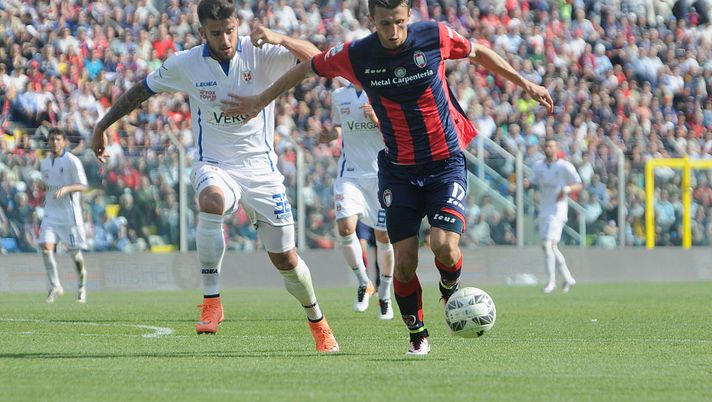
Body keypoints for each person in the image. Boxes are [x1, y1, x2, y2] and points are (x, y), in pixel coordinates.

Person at [221, 0, 553, 355]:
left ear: (409, 16)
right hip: (398, 171)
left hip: (445, 163)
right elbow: (308, 66)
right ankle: (418, 335)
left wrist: (525, 83)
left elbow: (479, 52)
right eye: (384, 25)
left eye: (398, 22)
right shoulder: (357, 54)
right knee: (404, 262)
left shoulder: (434, 35)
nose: (393, 32)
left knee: (444, 245)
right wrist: (259, 100)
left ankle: (448, 287)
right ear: (371, 21)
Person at [91, 0, 339, 353]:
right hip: (215, 165)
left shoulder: (261, 53)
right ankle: (212, 301)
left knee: (285, 259)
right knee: (211, 201)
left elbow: (320, 60)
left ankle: (318, 322)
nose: (224, 39)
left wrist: (281, 38)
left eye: (229, 30)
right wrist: (102, 126)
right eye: (215, 33)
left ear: (238, 24)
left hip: (262, 171)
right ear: (201, 32)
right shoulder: (186, 63)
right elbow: (141, 91)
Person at [319, 82, 394, 319]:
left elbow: (396, 131)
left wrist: (377, 121)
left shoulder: (383, 90)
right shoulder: (339, 95)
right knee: (345, 227)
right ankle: (364, 283)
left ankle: (385, 293)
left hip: (380, 175)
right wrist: (331, 135)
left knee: (384, 236)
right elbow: (341, 128)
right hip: (350, 173)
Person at [525, 138, 582, 294]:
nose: (548, 148)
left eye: (551, 146)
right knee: (551, 247)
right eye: (546, 146)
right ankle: (568, 278)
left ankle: (551, 281)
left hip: (558, 210)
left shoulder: (564, 166)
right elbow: (531, 181)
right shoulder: (539, 166)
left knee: (547, 245)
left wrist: (566, 190)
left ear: (556, 148)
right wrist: (525, 183)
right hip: (544, 209)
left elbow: (578, 183)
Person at [40, 128, 89, 303]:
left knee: (75, 254)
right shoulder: (44, 163)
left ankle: (82, 286)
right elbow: (46, 186)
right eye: (52, 139)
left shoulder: (72, 161)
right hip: (50, 214)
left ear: (64, 142)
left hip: (69, 215)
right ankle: (55, 286)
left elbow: (83, 185)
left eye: (58, 139)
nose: (54, 142)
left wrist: (67, 188)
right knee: (46, 248)